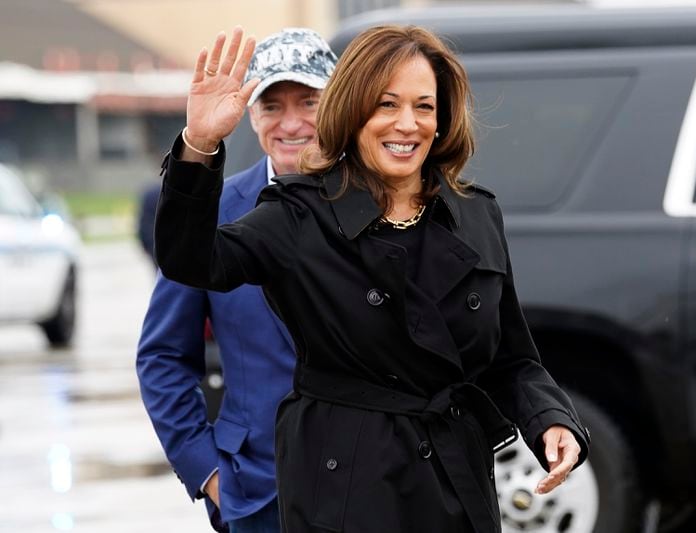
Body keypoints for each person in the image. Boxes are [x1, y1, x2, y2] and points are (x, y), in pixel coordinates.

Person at [154, 24, 591, 533]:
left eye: (424, 107)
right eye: (387, 105)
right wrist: (199, 146)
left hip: (456, 481)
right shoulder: (299, 215)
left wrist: (551, 419)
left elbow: (512, 358)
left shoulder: (475, 214)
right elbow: (191, 261)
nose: (408, 124)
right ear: (353, 111)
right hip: (345, 489)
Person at [136, 28, 337, 533]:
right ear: (251, 114)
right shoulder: (216, 211)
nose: (291, 123)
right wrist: (208, 474)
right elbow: (162, 356)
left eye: (308, 101)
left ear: (337, 104)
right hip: (257, 494)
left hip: (369, 487)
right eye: (271, 105)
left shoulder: (380, 205)